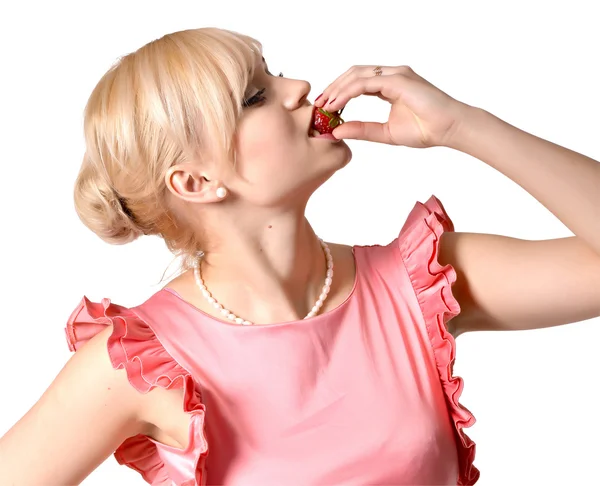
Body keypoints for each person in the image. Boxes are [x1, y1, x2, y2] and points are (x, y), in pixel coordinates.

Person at [1, 26, 599, 486]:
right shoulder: (142, 361)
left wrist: (464, 127)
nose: (298, 90)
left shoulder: (422, 283)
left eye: (276, 74)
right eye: (255, 96)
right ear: (195, 181)